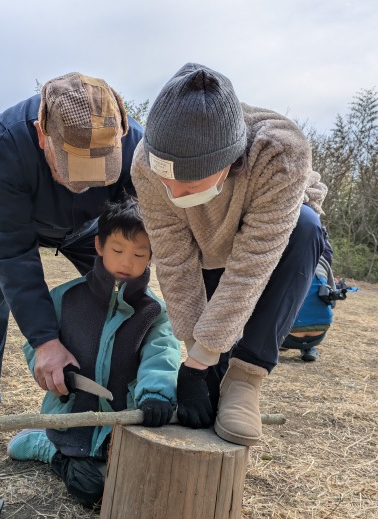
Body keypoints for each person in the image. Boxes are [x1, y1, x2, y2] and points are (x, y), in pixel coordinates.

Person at [0, 71, 143, 458]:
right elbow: (12, 251)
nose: (83, 184)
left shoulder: (136, 144)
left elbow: (136, 232)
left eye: (97, 174)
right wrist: (46, 342)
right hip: (13, 214)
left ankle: (122, 395)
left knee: (124, 292)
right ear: (41, 135)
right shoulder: (9, 139)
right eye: (72, 170)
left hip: (90, 224)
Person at [131, 62, 327, 448]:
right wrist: (196, 357)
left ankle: (246, 378)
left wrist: (202, 359)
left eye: (189, 185)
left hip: (273, 250)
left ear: (227, 163)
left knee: (306, 226)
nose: (174, 194)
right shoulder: (146, 162)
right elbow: (173, 259)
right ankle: (217, 373)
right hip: (205, 250)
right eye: (166, 182)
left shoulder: (280, 152)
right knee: (207, 376)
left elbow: (252, 266)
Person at [7, 197, 180, 507]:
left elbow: (162, 354)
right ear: (99, 245)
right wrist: (57, 375)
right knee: (90, 487)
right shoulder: (65, 297)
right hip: (74, 419)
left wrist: (156, 394)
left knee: (147, 484)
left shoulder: (154, 312)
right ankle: (49, 447)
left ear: (152, 255)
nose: (127, 263)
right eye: (118, 250)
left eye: (139, 254)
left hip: (123, 420)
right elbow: (37, 349)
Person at [281, 226, 345, 362]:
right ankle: (309, 348)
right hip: (318, 335)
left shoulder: (285, 259)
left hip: (288, 336)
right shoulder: (324, 263)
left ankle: (277, 342)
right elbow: (332, 303)